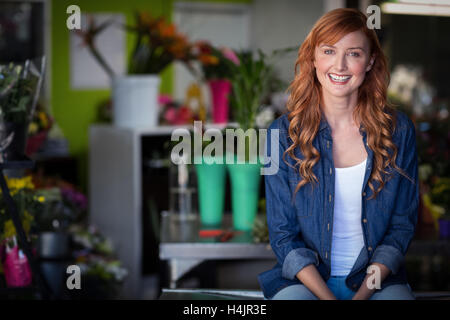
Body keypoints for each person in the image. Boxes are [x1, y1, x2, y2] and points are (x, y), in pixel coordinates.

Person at [258, 8, 419, 300]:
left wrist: (361, 296)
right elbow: (282, 234)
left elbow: (401, 227)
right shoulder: (279, 135)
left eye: (354, 53)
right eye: (329, 51)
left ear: (370, 61)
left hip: (375, 281)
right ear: (313, 58)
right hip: (306, 282)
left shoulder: (399, 131)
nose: (340, 65)